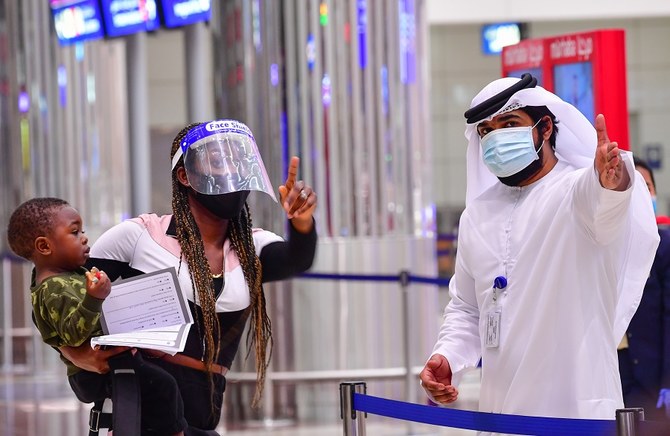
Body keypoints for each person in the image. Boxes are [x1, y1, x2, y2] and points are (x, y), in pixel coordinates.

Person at [419, 73, 659, 419]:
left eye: (509, 123)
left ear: (545, 128)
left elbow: (605, 204)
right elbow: (468, 309)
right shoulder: (477, 215)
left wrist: (613, 179)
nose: (496, 137)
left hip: (577, 411)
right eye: (486, 130)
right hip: (503, 411)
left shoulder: (575, 192)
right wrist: (447, 358)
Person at [59, 119, 318, 433]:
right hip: (139, 404)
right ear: (185, 175)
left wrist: (302, 222)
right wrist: (76, 353)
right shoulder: (140, 235)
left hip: (202, 413)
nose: (232, 172)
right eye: (220, 161)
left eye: (239, 162)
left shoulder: (254, 246)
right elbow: (58, 289)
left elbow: (297, 259)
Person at [6, 197, 187, 435]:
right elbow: (71, 334)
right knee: (163, 387)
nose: (84, 237)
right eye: (74, 232)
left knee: (153, 393)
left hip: (109, 362)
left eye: (82, 230)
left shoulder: (67, 277)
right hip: (92, 372)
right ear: (44, 247)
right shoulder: (52, 287)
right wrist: (94, 297)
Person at [617, 157, 670, 421]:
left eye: (646, 187)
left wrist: (668, 381)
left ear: (655, 193)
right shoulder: (599, 246)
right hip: (611, 374)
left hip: (652, 377)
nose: (640, 194)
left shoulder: (665, 246)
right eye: (632, 187)